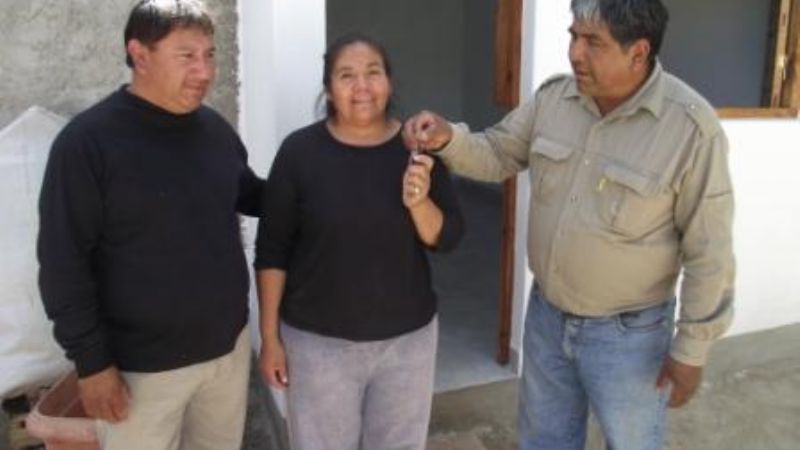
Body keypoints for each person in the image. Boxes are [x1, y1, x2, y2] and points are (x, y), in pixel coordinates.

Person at [403, 0, 735, 448]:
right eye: (573, 36)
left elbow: (709, 251)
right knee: (544, 440)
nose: (575, 53)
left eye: (592, 42)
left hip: (630, 338)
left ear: (638, 53)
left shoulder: (691, 130)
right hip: (547, 319)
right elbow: (499, 152)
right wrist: (449, 138)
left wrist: (691, 349)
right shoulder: (555, 99)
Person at [37, 1, 264, 449]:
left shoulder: (213, 130)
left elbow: (254, 196)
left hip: (226, 354)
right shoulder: (88, 143)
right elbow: (63, 263)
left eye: (210, 55)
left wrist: (328, 177)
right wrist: (92, 364)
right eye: (186, 56)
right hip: (139, 371)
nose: (204, 71)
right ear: (139, 55)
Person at [254, 34, 464, 450]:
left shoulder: (418, 149)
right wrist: (270, 339)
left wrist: (419, 203)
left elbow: (447, 237)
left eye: (373, 73)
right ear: (329, 89)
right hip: (318, 346)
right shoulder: (299, 153)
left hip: (407, 344)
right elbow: (271, 251)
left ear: (389, 82)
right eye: (346, 76)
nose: (362, 87)